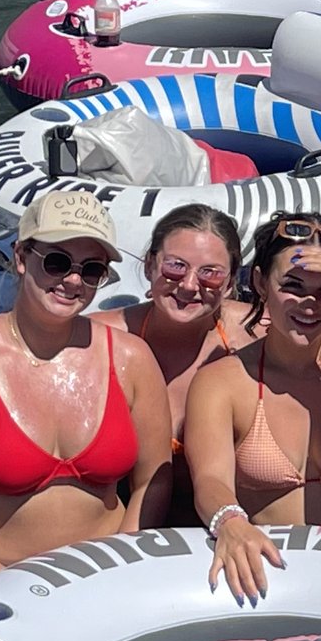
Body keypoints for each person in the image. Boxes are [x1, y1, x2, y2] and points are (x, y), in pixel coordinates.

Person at [0, 189, 171, 600]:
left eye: (92, 269)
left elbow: (153, 481)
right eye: (57, 261)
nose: (73, 280)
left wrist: (124, 564)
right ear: (22, 258)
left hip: (105, 581)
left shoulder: (130, 359)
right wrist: (11, 587)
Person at [187, 212, 321, 599]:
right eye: (293, 285)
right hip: (280, 581)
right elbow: (211, 480)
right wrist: (230, 521)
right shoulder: (223, 381)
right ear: (259, 282)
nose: (310, 303)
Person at [114, 202, 254, 525]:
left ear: (232, 282)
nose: (190, 285)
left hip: (231, 531)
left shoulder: (256, 336)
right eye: (175, 266)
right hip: (130, 528)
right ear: (150, 265)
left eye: (210, 273)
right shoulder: (106, 340)